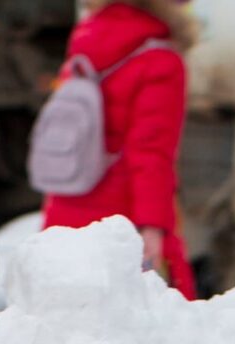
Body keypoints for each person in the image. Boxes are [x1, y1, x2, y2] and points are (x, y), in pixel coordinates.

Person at [41, 0, 198, 298]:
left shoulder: (85, 41)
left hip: (66, 216)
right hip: (122, 222)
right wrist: (152, 227)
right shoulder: (160, 59)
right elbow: (151, 153)